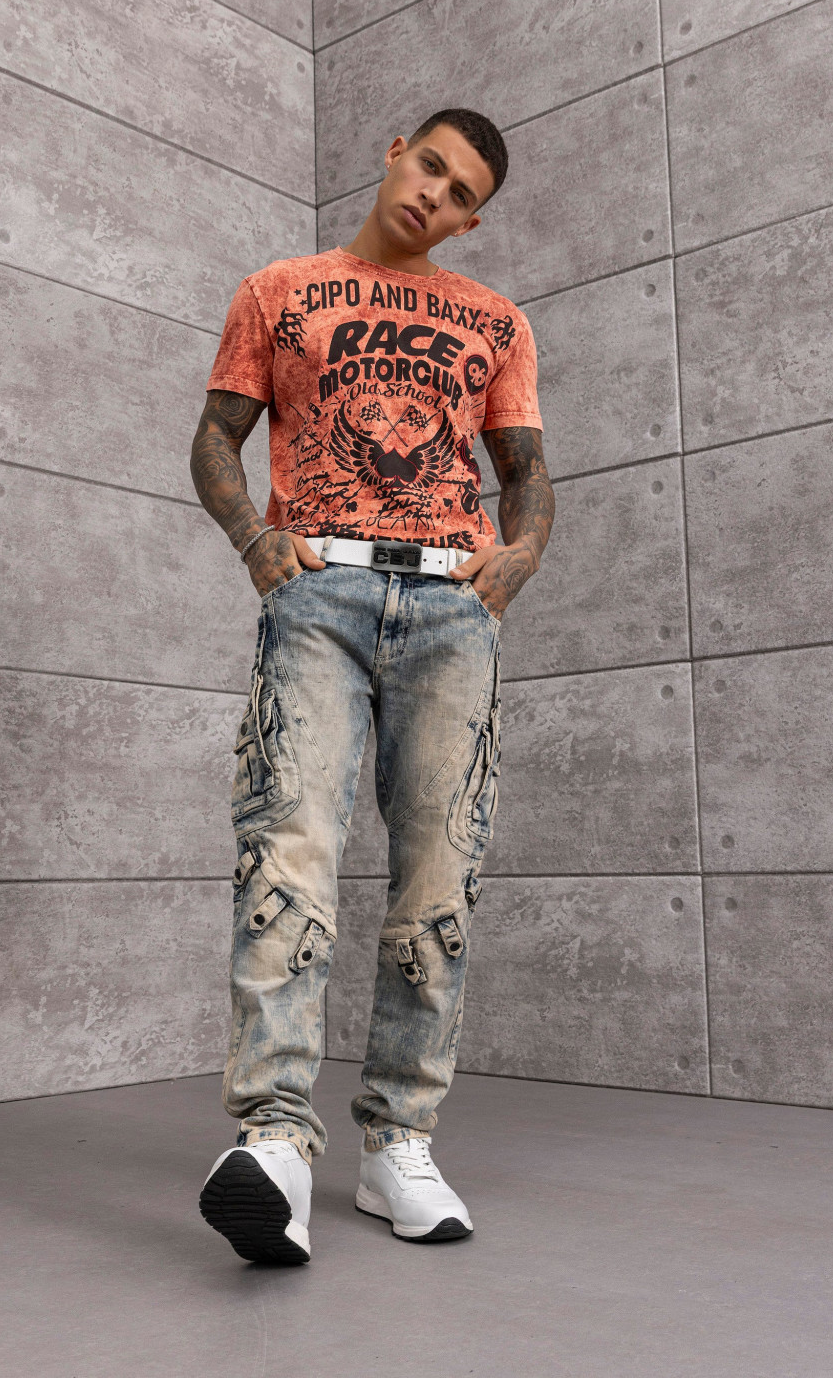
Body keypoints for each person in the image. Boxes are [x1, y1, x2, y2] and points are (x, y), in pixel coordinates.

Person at [189, 107, 554, 1264]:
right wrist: (255, 541)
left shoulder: (496, 321)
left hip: (451, 607)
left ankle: (400, 1140)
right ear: (397, 152)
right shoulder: (278, 291)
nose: (434, 194)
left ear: (470, 221)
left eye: (460, 194)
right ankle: (274, 1144)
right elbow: (215, 438)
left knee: (441, 868)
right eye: (429, 166)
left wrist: (522, 554)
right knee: (287, 848)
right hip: (320, 595)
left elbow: (524, 469)